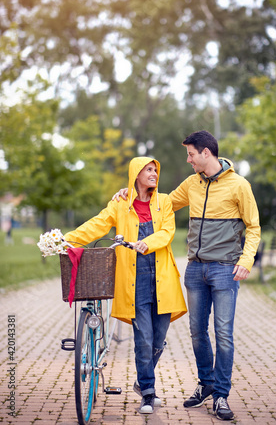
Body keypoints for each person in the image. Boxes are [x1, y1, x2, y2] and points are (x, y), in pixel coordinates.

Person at [114, 131, 261, 421]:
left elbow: (253, 226)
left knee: (224, 334)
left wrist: (246, 259)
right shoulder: (191, 184)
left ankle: (221, 395)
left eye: (191, 154)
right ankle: (205, 383)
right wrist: (129, 192)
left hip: (224, 269)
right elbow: (161, 202)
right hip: (195, 269)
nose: (188, 160)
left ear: (206, 153)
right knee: (197, 333)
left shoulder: (239, 185)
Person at [64, 157, 187, 415]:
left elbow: (167, 232)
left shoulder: (163, 202)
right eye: (149, 170)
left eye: (156, 170)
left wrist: (148, 242)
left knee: (158, 339)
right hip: (134, 280)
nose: (154, 174)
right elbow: (97, 224)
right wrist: (66, 239)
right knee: (144, 338)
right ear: (136, 174)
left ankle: (141, 382)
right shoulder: (120, 203)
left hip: (162, 277)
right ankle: (149, 393)